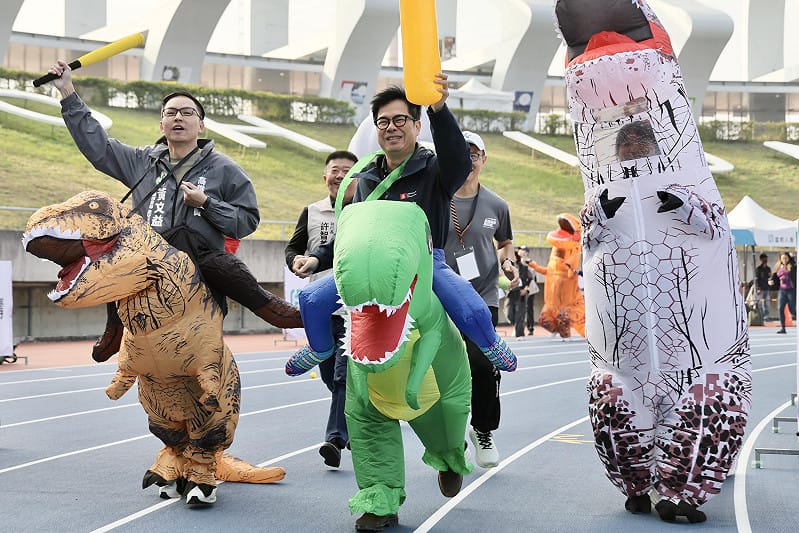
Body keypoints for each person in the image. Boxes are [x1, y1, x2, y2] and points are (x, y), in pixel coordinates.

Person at [48, 60, 302, 361]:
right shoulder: (143, 161)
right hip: (147, 259)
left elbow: (246, 221)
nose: (178, 118)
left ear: (201, 125)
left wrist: (207, 204)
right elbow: (98, 146)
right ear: (161, 125)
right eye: (170, 113)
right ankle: (114, 325)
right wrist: (67, 91)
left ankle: (268, 307)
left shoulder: (226, 169)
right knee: (115, 251)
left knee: (225, 266)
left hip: (199, 262)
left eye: (187, 113)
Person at [291, 81, 516, 369]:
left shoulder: (434, 169)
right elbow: (353, 236)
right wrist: (316, 258)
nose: (391, 127)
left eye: (400, 120)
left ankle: (490, 343)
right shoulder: (366, 179)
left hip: (423, 264)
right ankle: (320, 348)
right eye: (383, 122)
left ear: (417, 126)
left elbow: (459, 162)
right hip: (370, 262)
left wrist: (438, 108)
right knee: (310, 299)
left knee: (471, 309)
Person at [443, 130, 518, 468]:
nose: (470, 160)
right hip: (440, 294)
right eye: (463, 153)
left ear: (484, 160)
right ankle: (449, 434)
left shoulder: (497, 205)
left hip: (482, 295)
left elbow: (505, 243)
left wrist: (509, 263)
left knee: (483, 364)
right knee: (443, 367)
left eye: (475, 154)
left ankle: (483, 430)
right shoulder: (436, 198)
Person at [285, 150, 358, 468]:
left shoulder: (366, 211)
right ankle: (353, 420)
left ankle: (335, 438)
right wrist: (296, 260)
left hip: (354, 304)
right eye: (334, 170)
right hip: (320, 304)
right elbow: (293, 246)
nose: (340, 175)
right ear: (325, 176)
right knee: (329, 374)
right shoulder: (312, 211)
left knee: (343, 373)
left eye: (347, 170)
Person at [506, 248, 532, 339]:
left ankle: (520, 333)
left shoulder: (524, 267)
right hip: (511, 294)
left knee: (520, 314)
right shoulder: (507, 267)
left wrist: (526, 289)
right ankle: (516, 326)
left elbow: (530, 279)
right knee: (509, 314)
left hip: (521, 293)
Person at [770, 252, 796, 334]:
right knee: (780, 308)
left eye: (786, 258)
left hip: (791, 290)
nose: (784, 260)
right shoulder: (778, 267)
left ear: (788, 258)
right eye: (782, 258)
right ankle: (783, 328)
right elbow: (774, 277)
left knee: (793, 310)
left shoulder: (792, 266)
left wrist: (793, 258)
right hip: (782, 290)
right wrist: (771, 281)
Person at [518, 245, 537, 335]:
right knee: (520, 308)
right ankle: (519, 328)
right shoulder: (517, 262)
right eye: (521, 250)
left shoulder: (532, 262)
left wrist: (526, 263)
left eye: (524, 250)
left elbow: (532, 274)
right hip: (521, 286)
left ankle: (530, 327)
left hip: (530, 287)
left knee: (529, 307)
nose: (522, 252)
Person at [755, 253, 772, 319]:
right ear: (761, 259)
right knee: (759, 303)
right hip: (760, 288)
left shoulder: (768, 268)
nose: (765, 259)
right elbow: (756, 280)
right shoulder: (758, 269)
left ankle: (766, 316)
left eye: (766, 258)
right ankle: (760, 316)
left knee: (766, 303)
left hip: (767, 288)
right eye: (764, 258)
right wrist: (758, 288)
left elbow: (770, 278)